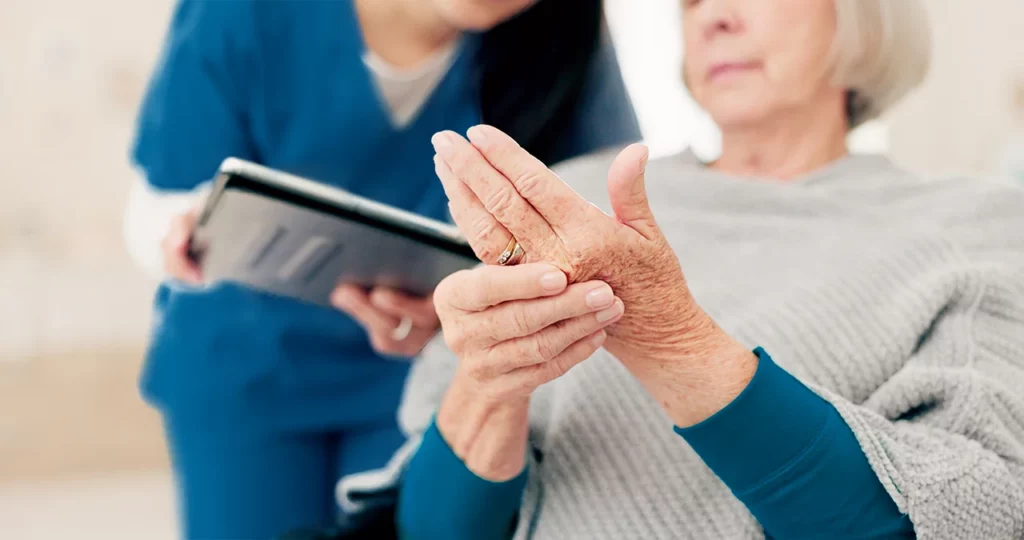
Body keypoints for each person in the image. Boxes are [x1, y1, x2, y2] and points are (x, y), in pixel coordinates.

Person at [340, 0, 1024, 538]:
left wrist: (666, 335)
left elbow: (954, 520)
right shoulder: (570, 197)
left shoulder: (974, 226)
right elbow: (430, 529)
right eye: (693, 1)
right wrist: (490, 382)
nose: (715, 16)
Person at [123, 0, 640, 537]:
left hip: (416, 375)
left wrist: (462, 303)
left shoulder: (568, 33)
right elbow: (156, 205)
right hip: (243, 373)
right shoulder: (240, 13)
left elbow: (600, 215)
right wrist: (180, 235)